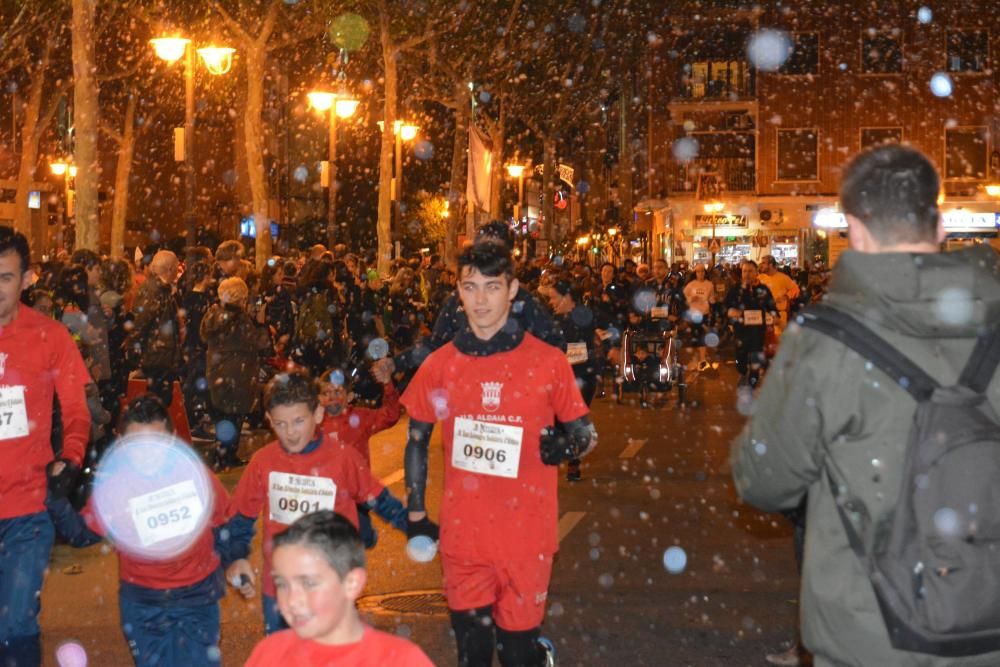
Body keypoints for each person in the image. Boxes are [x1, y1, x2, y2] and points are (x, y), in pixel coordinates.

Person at [730, 144, 1000, 667]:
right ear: (940, 227)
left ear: (853, 229)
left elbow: (763, 479)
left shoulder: (824, 341)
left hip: (870, 627)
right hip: (986, 617)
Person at [402, 242, 597, 667]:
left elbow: (586, 433)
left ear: (512, 291)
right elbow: (416, 438)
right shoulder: (440, 364)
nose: (481, 300)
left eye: (492, 287)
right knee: (471, 656)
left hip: (527, 540)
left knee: (517, 656)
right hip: (464, 540)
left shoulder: (547, 362)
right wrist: (415, 512)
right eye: (470, 287)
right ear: (458, 291)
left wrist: (567, 446)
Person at [45, 394, 248, 667]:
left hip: (198, 597)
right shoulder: (115, 487)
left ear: (173, 438)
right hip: (143, 603)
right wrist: (56, 497)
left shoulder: (195, 474)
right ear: (121, 442)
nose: (148, 454)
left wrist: (234, 559)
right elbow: (81, 534)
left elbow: (227, 521)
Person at [223, 370, 407, 634]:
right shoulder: (263, 462)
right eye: (280, 424)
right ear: (268, 420)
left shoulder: (343, 458)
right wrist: (236, 556)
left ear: (318, 415)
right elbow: (240, 518)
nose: (290, 433)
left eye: (298, 421)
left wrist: (419, 529)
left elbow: (382, 501)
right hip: (280, 592)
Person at [0, 227, 91, 665]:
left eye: (5, 277)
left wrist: (71, 457)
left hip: (27, 509)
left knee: (16, 624)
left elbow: (76, 411)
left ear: (27, 279)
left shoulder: (50, 337)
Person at [372, 220, 565, 381]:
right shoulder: (458, 300)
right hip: (467, 403)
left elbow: (555, 347)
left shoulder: (526, 301)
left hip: (515, 408)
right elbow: (435, 343)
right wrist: (395, 363)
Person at [244, 511, 432, 666]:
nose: (291, 600)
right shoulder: (268, 654)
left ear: (351, 583)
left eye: (308, 583)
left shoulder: (402, 661)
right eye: (282, 584)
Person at [318, 366, 403, 548]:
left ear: (349, 397)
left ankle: (365, 536)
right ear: (319, 398)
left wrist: (387, 385)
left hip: (356, 493)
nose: (332, 397)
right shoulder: (313, 423)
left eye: (338, 391)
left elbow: (390, 415)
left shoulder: (360, 417)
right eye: (326, 392)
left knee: (362, 538)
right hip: (324, 494)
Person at [200, 277, 271, 470]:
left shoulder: (213, 314)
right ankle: (227, 457)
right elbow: (258, 343)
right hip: (238, 375)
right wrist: (261, 324)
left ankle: (221, 455)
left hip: (217, 372)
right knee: (234, 418)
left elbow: (205, 335)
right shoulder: (240, 319)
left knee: (223, 417)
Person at [547, 279, 598, 482]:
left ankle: (574, 462)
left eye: (553, 298)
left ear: (566, 297)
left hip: (582, 376)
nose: (550, 302)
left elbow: (608, 326)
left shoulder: (584, 314)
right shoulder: (552, 320)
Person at [127, 250, 183, 406]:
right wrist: (135, 354)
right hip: (156, 357)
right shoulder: (154, 291)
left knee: (160, 401)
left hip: (159, 355)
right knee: (157, 402)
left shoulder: (159, 290)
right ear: (170, 269)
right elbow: (141, 324)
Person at [724, 260, 777, 388]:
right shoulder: (735, 289)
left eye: (750, 271)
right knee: (740, 355)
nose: (747, 274)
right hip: (741, 329)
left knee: (755, 354)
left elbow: (771, 307)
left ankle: (753, 378)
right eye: (744, 271)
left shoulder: (763, 289)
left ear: (756, 273)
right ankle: (742, 372)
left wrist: (775, 317)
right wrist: (732, 312)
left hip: (758, 330)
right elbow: (726, 307)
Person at [757, 254, 800, 333]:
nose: (761, 265)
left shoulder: (783, 278)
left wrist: (786, 296)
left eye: (763, 263)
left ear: (770, 264)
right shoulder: (760, 278)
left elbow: (796, 289)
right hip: (764, 315)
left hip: (779, 315)